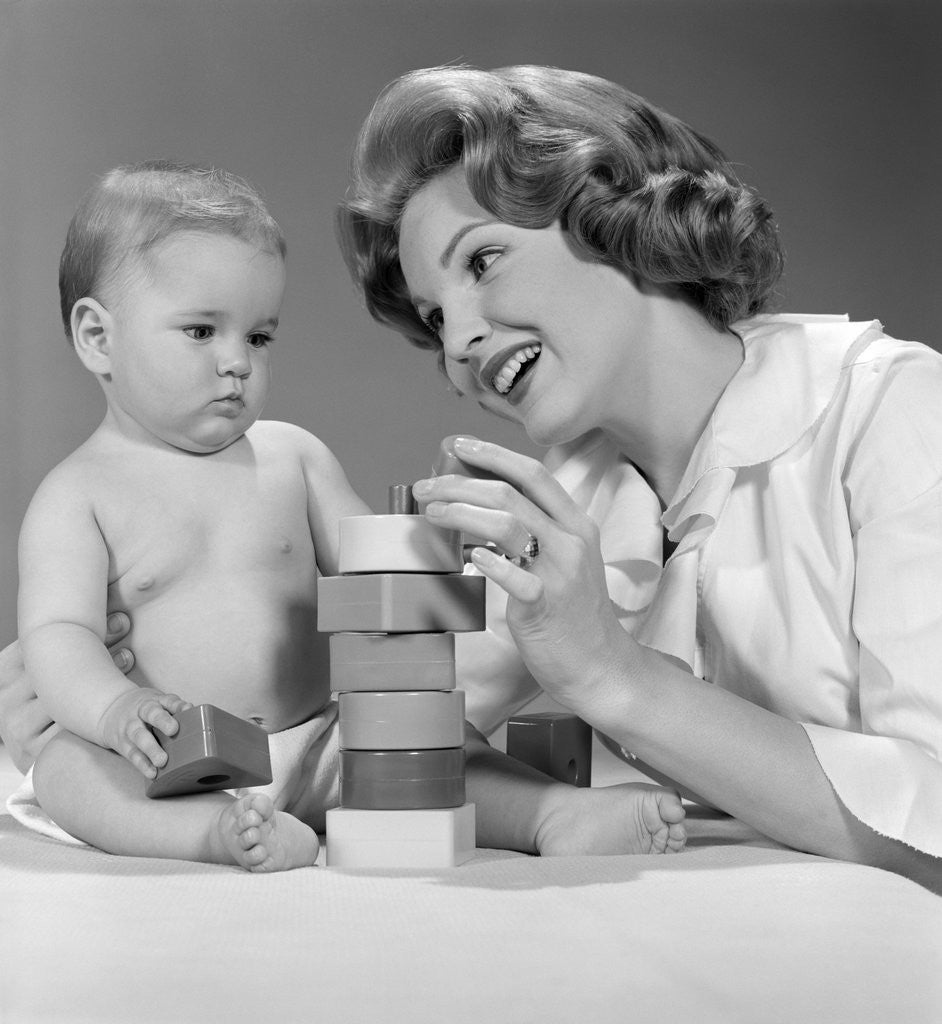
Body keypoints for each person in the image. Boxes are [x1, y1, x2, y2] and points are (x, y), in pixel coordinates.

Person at [331, 64, 942, 892]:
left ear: (613, 213)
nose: (458, 343)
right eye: (436, 317)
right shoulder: (572, 497)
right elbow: (386, 747)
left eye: (482, 261)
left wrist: (610, 673)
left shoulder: (898, 409)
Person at [6, 160, 686, 872]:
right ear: (96, 337)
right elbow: (59, 635)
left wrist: (435, 532)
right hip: (173, 758)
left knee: (440, 745)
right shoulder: (76, 495)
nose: (237, 361)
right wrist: (115, 712)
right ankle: (214, 836)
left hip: (323, 737)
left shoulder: (291, 459)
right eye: (202, 331)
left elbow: (382, 577)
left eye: (259, 337)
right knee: (67, 770)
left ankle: (556, 815)